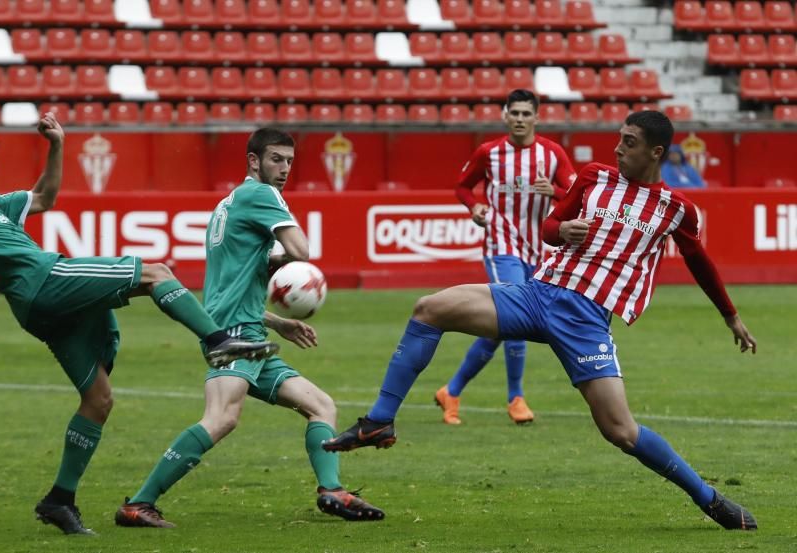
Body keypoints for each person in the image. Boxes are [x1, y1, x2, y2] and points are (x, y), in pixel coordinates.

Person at [0, 117, 280, 536]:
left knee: (99, 399)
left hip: (40, 307)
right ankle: (220, 340)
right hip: (44, 279)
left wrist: (57, 146)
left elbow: (44, 198)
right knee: (157, 272)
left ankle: (60, 500)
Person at [323, 111, 759, 531]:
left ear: (657, 152)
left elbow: (698, 260)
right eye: (619, 138)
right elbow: (551, 226)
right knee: (429, 308)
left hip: (585, 321)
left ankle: (710, 499)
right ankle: (379, 420)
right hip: (537, 294)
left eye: (630, 143)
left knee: (621, 431)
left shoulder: (675, 208)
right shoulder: (593, 177)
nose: (618, 148)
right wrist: (563, 230)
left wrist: (731, 316)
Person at [114, 128, 384, 529]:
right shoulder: (261, 195)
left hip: (247, 333)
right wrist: (285, 267)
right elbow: (301, 251)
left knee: (320, 405)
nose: (284, 168)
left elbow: (231, 286)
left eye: (290, 161)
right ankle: (138, 504)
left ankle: (331, 491)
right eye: (276, 159)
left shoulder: (229, 203)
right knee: (221, 417)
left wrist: (277, 321)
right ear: (253, 161)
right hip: (234, 337)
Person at [435, 88, 577, 426]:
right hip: (501, 246)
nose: (520, 119)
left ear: (537, 118)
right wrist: (475, 208)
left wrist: (554, 193)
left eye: (526, 114)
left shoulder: (553, 154)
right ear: (505, 115)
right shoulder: (489, 152)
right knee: (518, 319)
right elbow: (462, 187)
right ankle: (516, 398)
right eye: (514, 113)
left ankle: (451, 391)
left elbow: (576, 194)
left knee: (499, 328)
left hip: (538, 249)